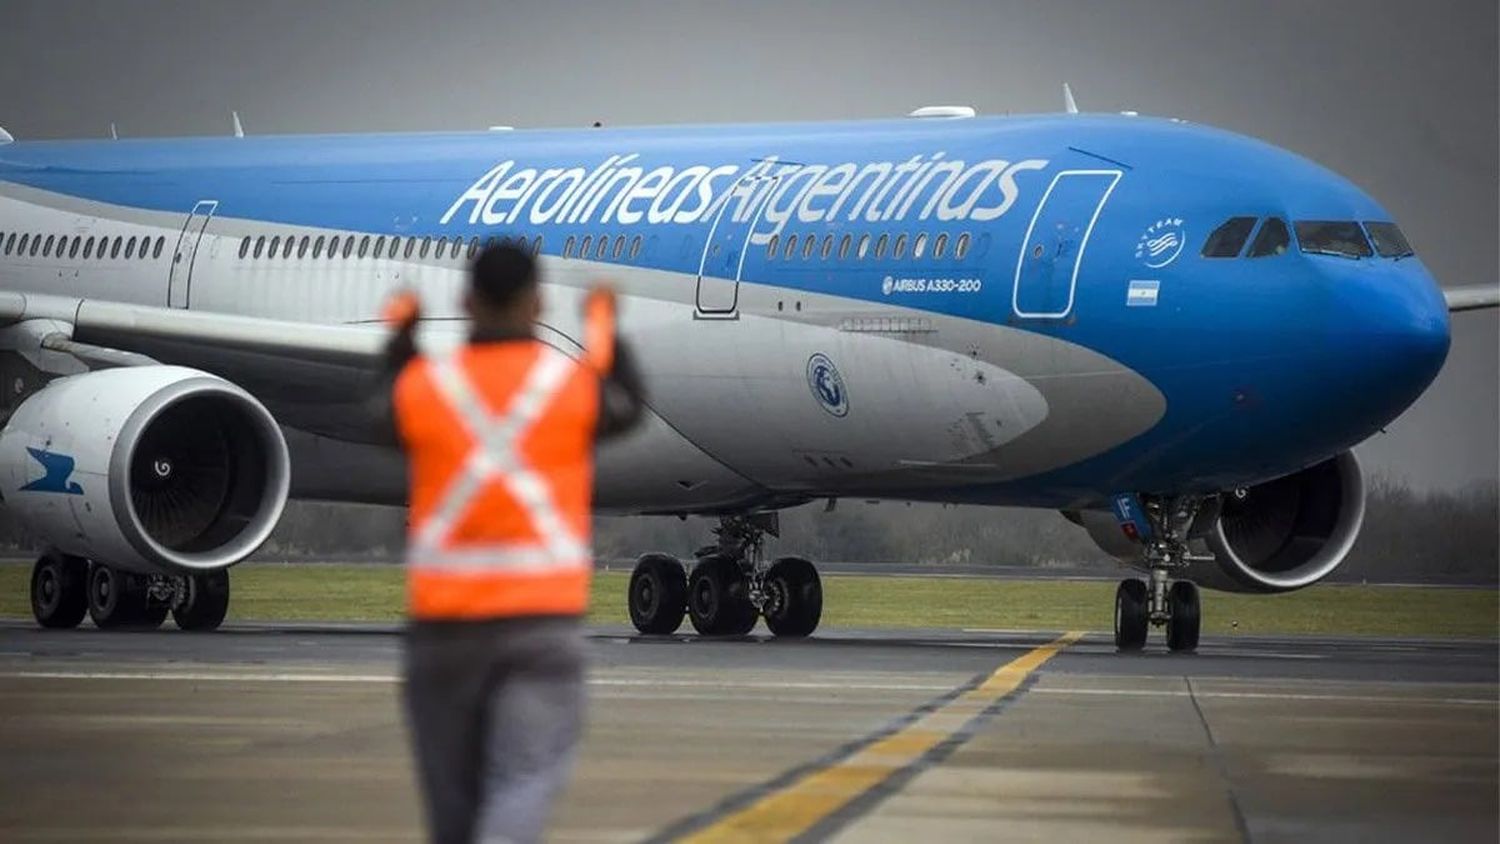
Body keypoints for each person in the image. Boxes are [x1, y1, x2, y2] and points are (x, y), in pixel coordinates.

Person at [380, 242, 645, 844]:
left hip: (445, 633)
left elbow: (380, 413)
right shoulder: (567, 385)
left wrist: (401, 339)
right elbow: (626, 404)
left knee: (452, 811)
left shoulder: (428, 384)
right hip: (540, 628)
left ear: (466, 301)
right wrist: (605, 329)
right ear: (539, 303)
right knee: (520, 783)